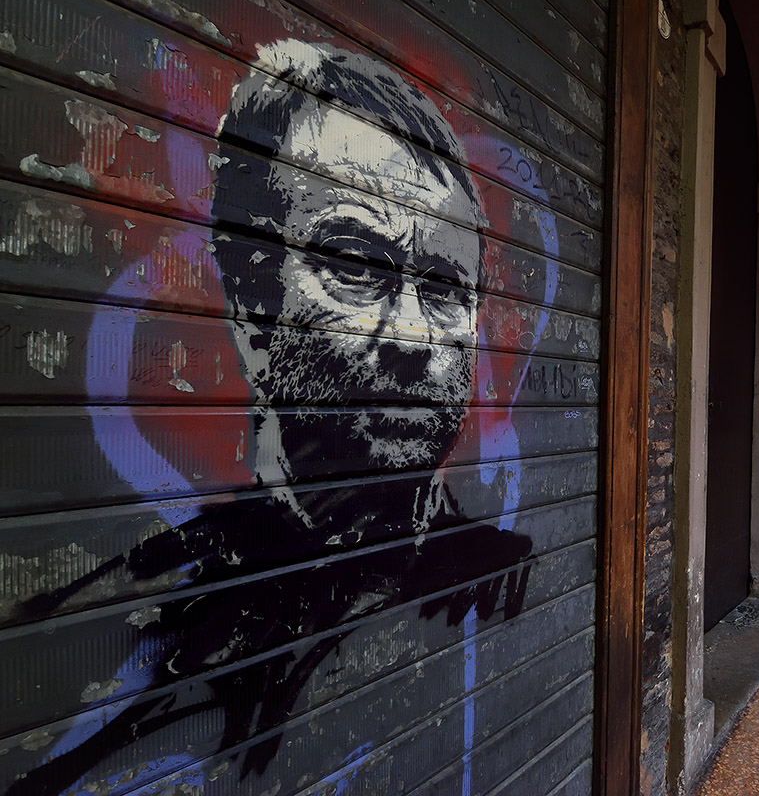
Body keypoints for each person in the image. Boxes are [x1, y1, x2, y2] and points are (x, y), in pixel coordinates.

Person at [9, 41, 534, 795]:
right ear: (250, 305)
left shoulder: (498, 579)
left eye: (447, 288)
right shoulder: (122, 630)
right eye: (357, 266)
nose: (418, 338)